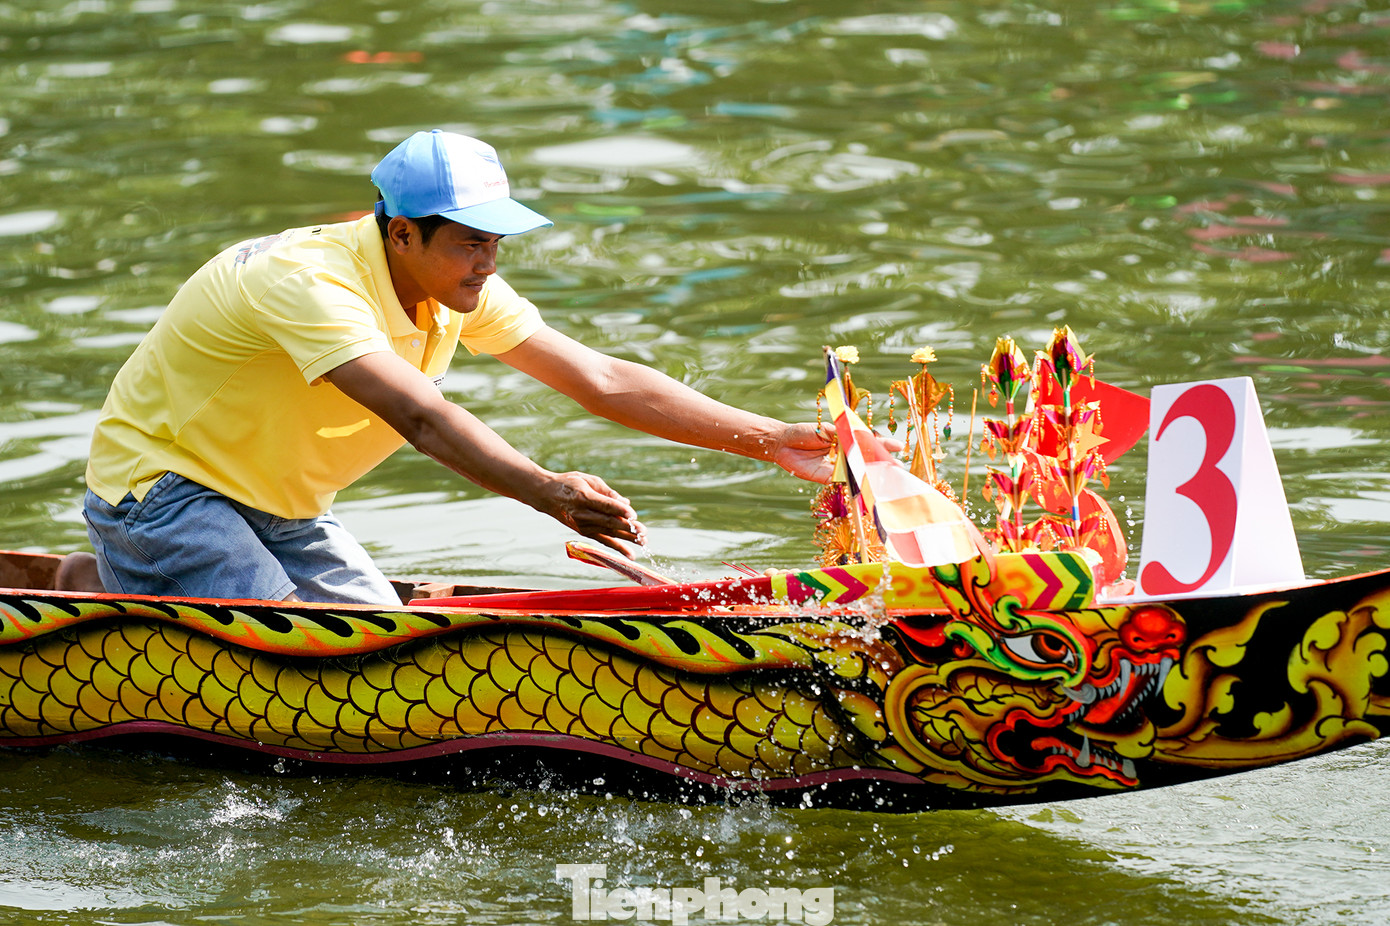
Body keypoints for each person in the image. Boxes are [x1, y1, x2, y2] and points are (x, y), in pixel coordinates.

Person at [82, 129, 833, 604]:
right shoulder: (308, 281)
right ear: (400, 234)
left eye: (495, 243)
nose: (488, 263)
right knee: (311, 667)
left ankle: (113, 584)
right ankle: (126, 575)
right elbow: (421, 416)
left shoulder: (453, 284)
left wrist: (772, 440)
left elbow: (599, 380)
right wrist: (547, 492)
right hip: (166, 496)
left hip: (284, 504)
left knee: (379, 647)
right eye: (471, 243)